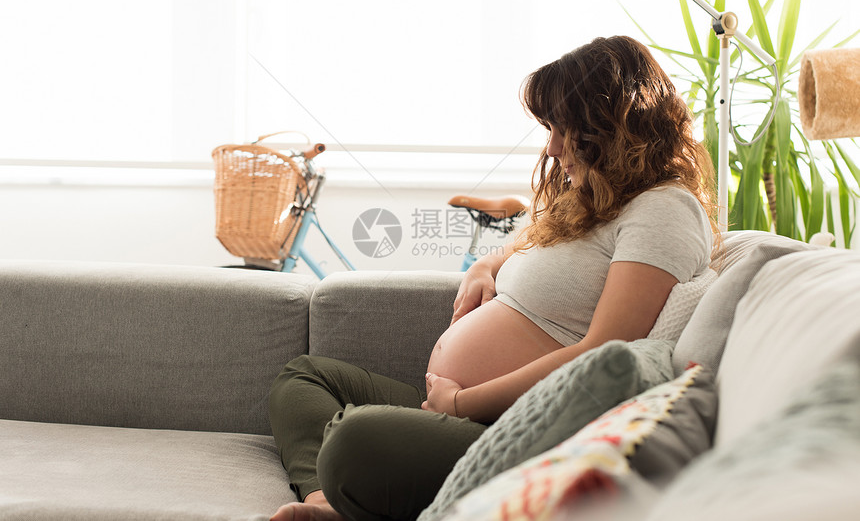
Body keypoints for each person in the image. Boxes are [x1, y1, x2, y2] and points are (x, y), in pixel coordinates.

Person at [268, 35, 716, 521]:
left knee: (355, 441)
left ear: (615, 125)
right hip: (451, 407)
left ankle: (346, 481)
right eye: (550, 129)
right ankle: (324, 503)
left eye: (566, 130)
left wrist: (461, 404)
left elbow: (605, 349)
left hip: (515, 429)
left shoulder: (665, 210)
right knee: (303, 376)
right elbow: (523, 248)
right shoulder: (588, 200)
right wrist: (486, 265)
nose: (554, 147)